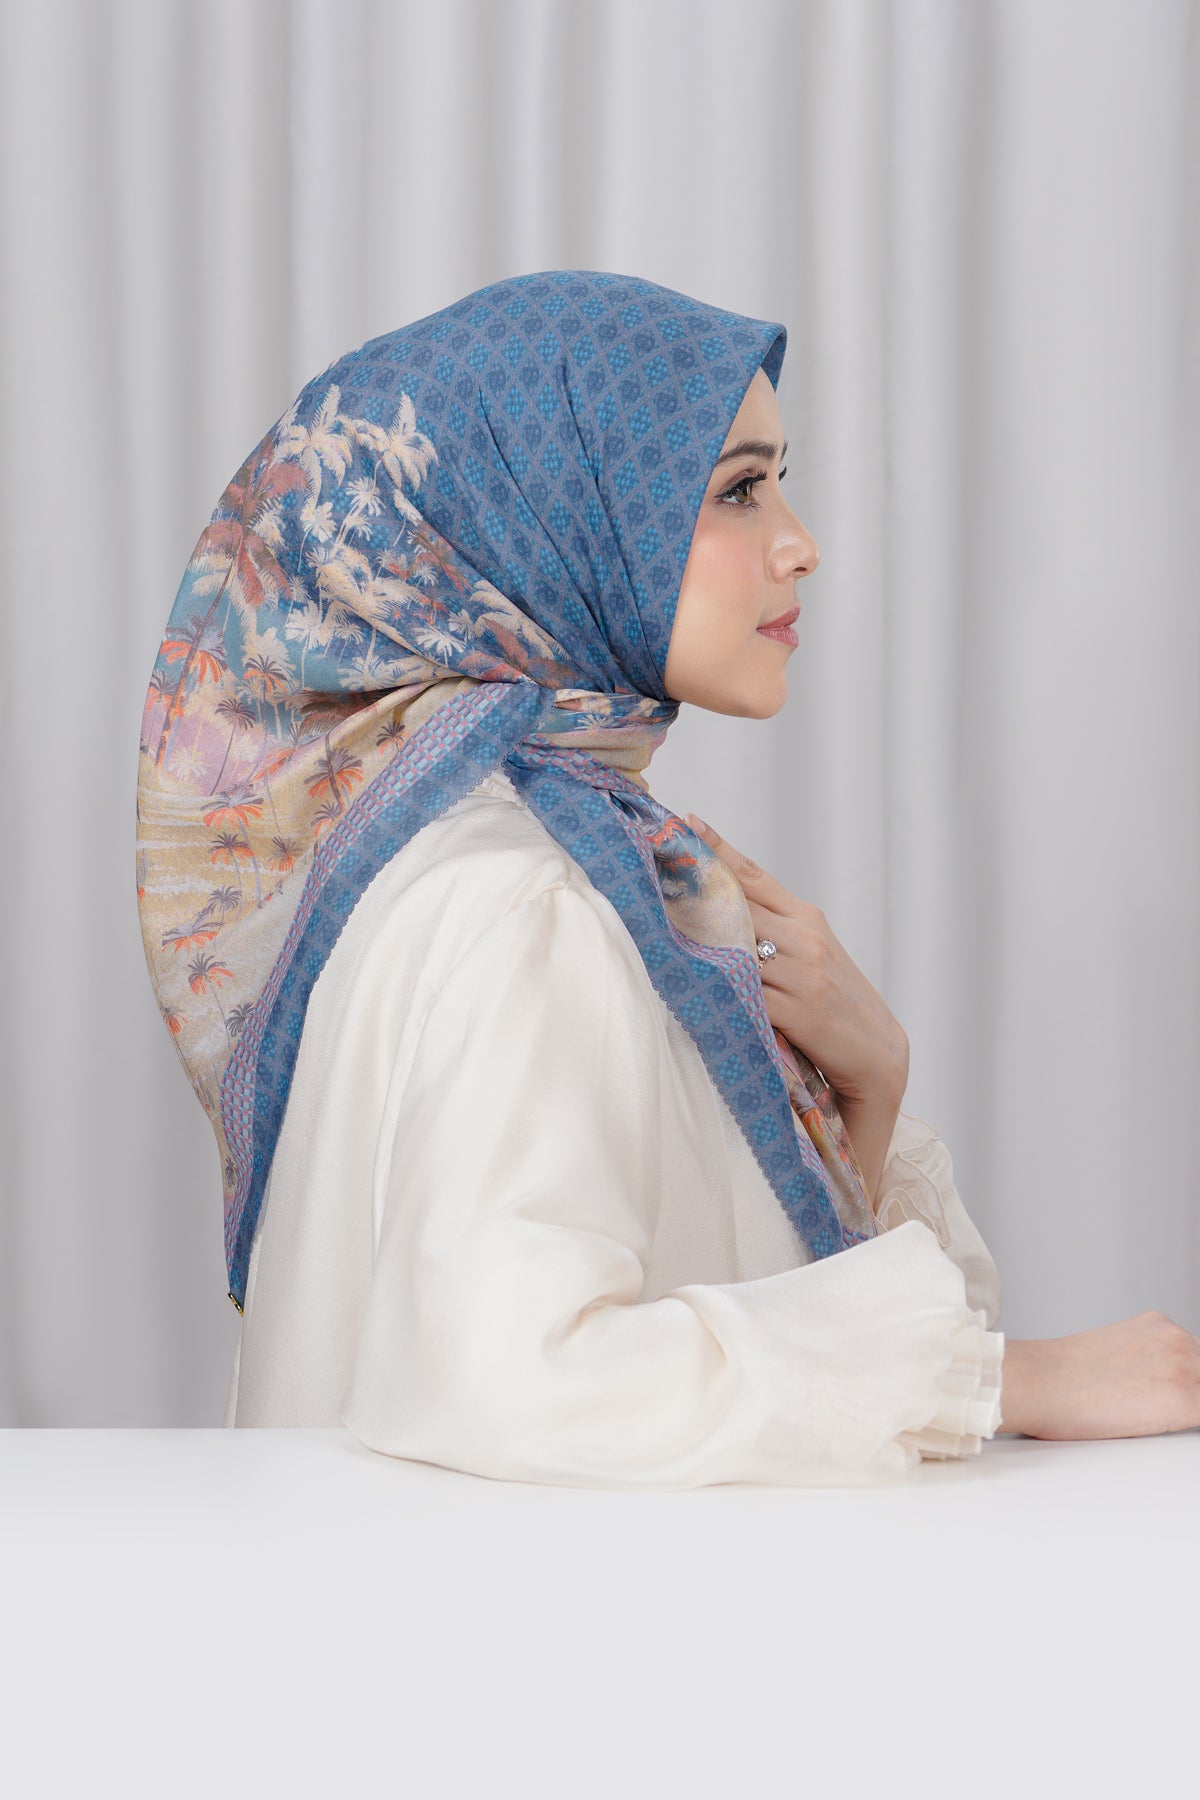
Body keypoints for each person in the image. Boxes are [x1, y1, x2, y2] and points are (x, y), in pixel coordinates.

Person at [137, 269, 1199, 1482]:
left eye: (779, 482)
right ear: (556, 514)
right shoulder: (521, 902)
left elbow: (726, 1315)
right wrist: (1010, 1378)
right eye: (740, 490)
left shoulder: (537, 847)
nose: (800, 545)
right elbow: (504, 1380)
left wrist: (871, 1090)